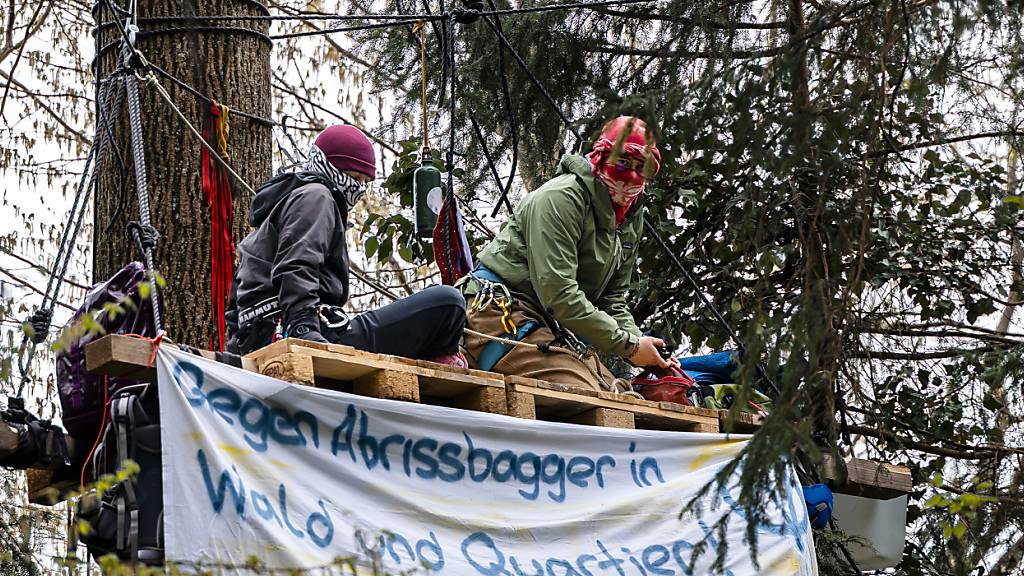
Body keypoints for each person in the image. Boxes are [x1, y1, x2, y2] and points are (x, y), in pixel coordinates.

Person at [460, 116, 678, 391]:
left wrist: (646, 350)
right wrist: (630, 347)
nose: (630, 176)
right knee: (588, 395)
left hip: (548, 327)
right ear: (601, 158)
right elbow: (559, 294)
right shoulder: (560, 199)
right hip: (501, 313)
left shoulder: (630, 218)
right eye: (622, 163)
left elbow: (612, 299)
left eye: (641, 167)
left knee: (624, 398)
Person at [226, 124, 467, 365]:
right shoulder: (316, 196)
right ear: (328, 167)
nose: (358, 189)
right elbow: (298, 263)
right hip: (295, 330)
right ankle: (438, 357)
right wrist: (303, 328)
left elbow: (237, 297)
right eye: (353, 178)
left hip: (263, 332)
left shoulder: (283, 208)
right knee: (448, 302)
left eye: (364, 181)